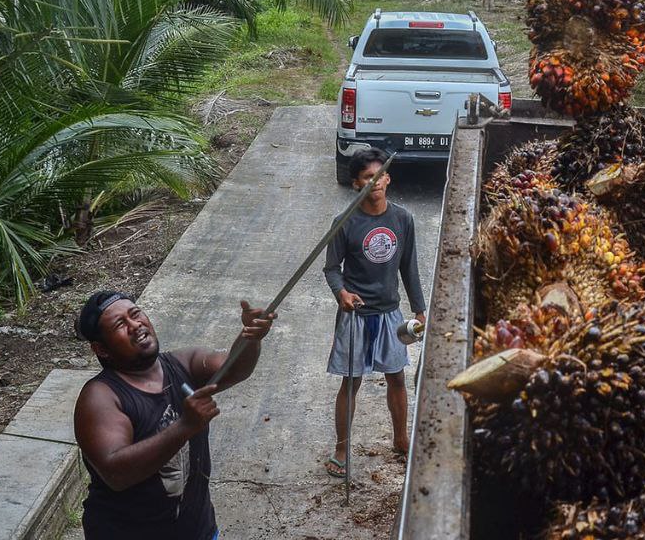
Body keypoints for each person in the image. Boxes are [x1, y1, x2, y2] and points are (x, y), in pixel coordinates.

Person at [71, 291, 275, 540]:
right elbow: (116, 474)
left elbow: (233, 369)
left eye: (135, 314)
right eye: (120, 324)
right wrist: (184, 427)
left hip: (198, 530)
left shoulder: (183, 363)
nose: (135, 325)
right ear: (101, 349)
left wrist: (251, 339)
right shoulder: (100, 398)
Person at [322, 148, 426, 479]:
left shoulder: (402, 218)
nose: (376, 182)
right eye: (368, 177)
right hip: (355, 314)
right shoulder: (345, 222)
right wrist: (341, 293)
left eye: (380, 175)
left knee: (396, 377)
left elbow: (410, 268)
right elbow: (331, 268)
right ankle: (342, 447)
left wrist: (420, 309)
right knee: (350, 383)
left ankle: (400, 438)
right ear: (357, 184)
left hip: (390, 313)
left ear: (389, 178)